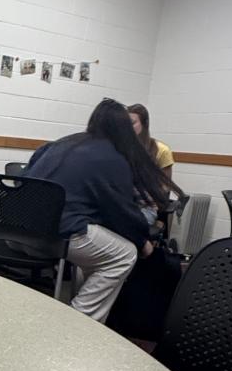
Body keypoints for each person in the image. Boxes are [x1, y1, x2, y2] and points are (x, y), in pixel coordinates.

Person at [25, 98, 178, 323]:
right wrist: (141, 241)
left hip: (18, 226)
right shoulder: (113, 157)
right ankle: (79, 324)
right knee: (124, 254)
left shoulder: (58, 144)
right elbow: (121, 210)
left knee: (100, 251)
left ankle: (81, 306)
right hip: (58, 233)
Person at [128, 104, 174, 180]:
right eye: (126, 123)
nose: (128, 127)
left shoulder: (162, 150)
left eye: (132, 123)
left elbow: (166, 183)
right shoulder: (121, 147)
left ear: (144, 124)